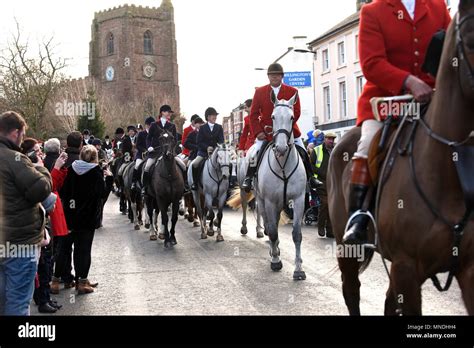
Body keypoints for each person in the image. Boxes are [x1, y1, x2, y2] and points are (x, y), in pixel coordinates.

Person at [342, 0, 451, 245]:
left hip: (433, 99)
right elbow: (371, 63)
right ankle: (358, 219)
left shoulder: (437, 7)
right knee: (367, 143)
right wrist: (410, 82)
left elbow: (451, 49)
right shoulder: (372, 11)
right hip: (385, 101)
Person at [0, 111, 52, 316]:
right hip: (19, 244)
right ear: (15, 133)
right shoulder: (15, 159)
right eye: (22, 134)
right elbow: (40, 189)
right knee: (19, 303)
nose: (22, 139)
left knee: (3, 302)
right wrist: (41, 169)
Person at [242, 63, 317, 192]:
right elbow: (253, 114)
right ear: (268, 77)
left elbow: (297, 111)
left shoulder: (292, 91)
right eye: (272, 75)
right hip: (266, 132)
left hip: (288, 131)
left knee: (303, 151)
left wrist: (286, 127)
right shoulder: (260, 92)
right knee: (255, 152)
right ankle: (249, 177)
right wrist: (258, 132)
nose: (274, 77)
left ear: (282, 76)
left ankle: (311, 178)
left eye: (277, 75)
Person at [60, 145, 106, 294]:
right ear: (94, 158)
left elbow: (65, 191)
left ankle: (74, 280)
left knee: (69, 248)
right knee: (84, 250)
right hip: (88, 218)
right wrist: (110, 178)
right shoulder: (96, 171)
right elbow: (101, 193)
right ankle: (82, 282)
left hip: (71, 216)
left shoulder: (71, 169)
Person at [142, 105, 179, 194]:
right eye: (168, 112)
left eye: (170, 112)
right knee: (147, 167)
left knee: (182, 165)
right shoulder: (154, 125)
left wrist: (172, 149)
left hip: (169, 153)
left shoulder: (172, 126)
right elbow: (148, 138)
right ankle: (145, 188)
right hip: (156, 152)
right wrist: (149, 147)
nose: (169, 114)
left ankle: (184, 186)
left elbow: (175, 140)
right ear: (162, 112)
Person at [190, 107, 224, 190]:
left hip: (216, 152)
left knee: (226, 163)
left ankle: (229, 182)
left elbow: (221, 140)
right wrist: (207, 147)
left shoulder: (219, 127)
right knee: (195, 164)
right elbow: (199, 142)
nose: (215, 117)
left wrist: (216, 148)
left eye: (216, 115)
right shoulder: (202, 128)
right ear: (208, 117)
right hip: (203, 152)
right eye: (213, 115)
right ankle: (195, 183)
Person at [311, 132, 337, 238]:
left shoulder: (336, 150)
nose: (331, 141)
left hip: (333, 182)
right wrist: (323, 173)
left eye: (332, 139)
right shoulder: (316, 150)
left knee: (332, 206)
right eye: (329, 139)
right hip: (320, 182)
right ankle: (321, 226)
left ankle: (330, 230)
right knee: (325, 203)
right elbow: (311, 165)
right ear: (324, 139)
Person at [131, 117, 154, 190]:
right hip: (141, 155)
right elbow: (138, 145)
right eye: (150, 125)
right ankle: (134, 182)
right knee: (137, 166)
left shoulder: (155, 134)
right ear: (147, 125)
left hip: (153, 154)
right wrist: (145, 150)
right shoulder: (141, 134)